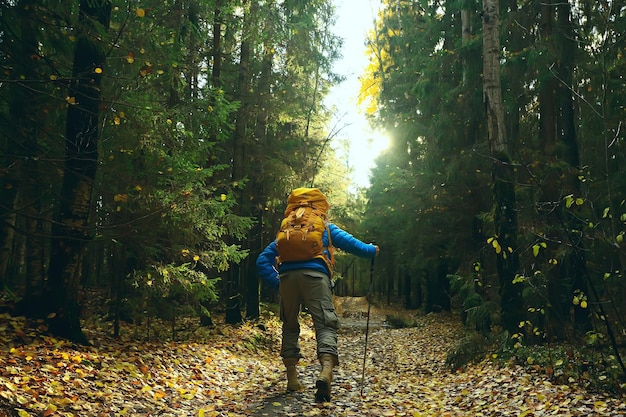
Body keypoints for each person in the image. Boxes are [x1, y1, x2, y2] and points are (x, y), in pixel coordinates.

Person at [256, 187, 379, 402]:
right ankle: (325, 372)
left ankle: (292, 380)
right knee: (325, 324)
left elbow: (262, 261)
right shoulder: (325, 228)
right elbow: (356, 247)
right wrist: (371, 250)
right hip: (316, 278)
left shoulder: (286, 232)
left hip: (287, 278)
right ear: (320, 207)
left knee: (290, 325)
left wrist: (278, 283)